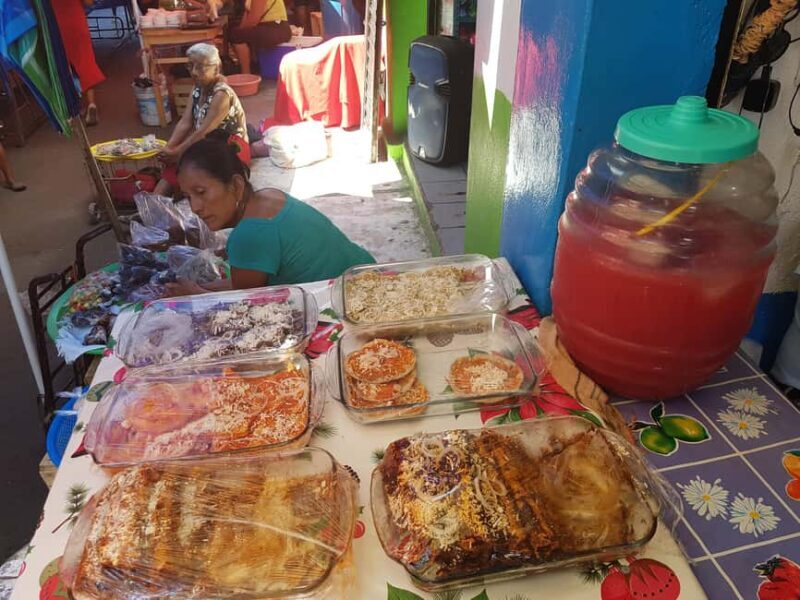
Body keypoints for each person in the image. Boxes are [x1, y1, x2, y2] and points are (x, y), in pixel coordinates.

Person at [167, 136, 374, 292]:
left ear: (236, 185)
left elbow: (244, 300)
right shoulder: (269, 196)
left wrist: (194, 294)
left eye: (201, 192)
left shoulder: (248, 236)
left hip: (354, 295)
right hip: (368, 272)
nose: (195, 207)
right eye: (187, 196)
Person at [155, 43, 248, 196]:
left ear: (216, 68)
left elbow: (203, 132)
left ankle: (156, 204)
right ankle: (154, 205)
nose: (194, 72)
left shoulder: (222, 94)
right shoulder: (198, 88)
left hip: (231, 147)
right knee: (177, 163)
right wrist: (169, 148)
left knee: (186, 163)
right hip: (208, 143)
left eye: (200, 67)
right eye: (190, 66)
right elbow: (186, 122)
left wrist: (177, 152)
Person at [54, 0, 105, 126]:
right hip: (77, 22)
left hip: (57, 26)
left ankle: (73, 108)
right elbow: (89, 2)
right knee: (85, 62)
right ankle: (91, 104)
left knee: (64, 66)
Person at [230, 0, 292, 75]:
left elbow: (253, 19)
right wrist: (241, 31)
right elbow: (247, 16)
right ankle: (250, 68)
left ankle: (246, 73)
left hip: (277, 28)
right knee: (237, 34)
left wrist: (240, 33)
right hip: (268, 27)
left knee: (236, 36)